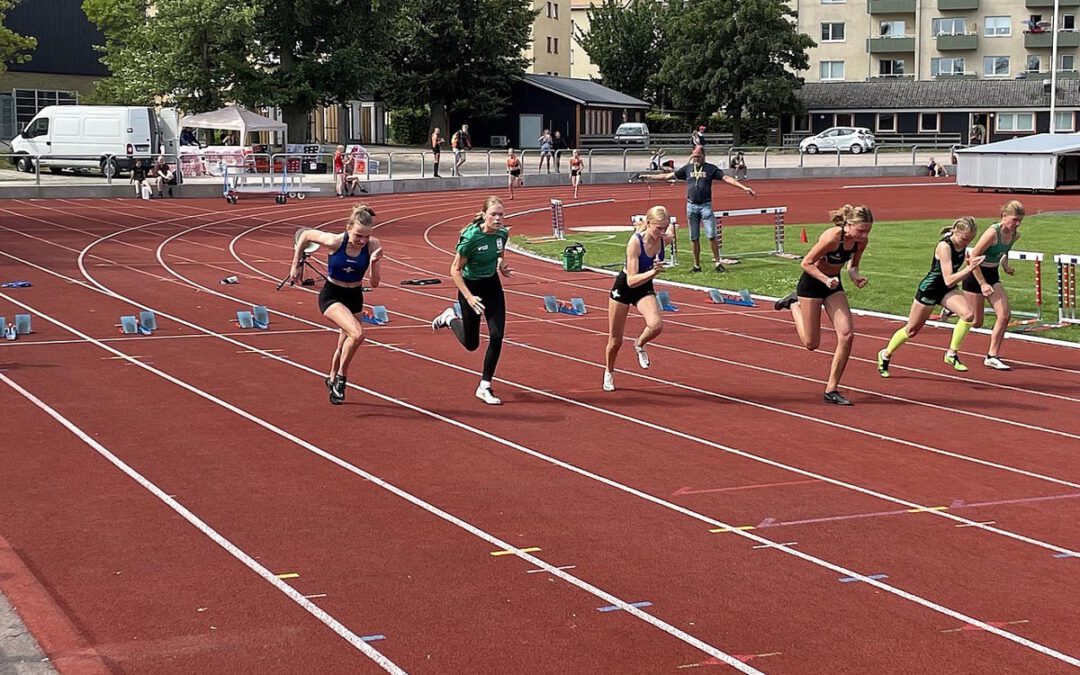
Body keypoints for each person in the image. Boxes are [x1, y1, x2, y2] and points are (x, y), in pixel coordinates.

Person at [773, 205, 873, 406]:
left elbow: (852, 265)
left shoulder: (860, 242)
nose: (863, 235)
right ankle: (793, 303)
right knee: (811, 344)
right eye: (860, 230)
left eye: (867, 231)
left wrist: (855, 277)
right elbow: (806, 263)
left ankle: (831, 389)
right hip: (812, 283)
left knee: (847, 334)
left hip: (833, 285)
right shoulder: (832, 238)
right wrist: (824, 279)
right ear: (849, 224)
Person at [288, 205, 383, 405]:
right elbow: (305, 235)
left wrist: (374, 262)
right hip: (332, 295)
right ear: (349, 229)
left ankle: (331, 377)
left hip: (355, 295)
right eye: (358, 236)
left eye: (366, 236)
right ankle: (341, 377)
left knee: (344, 344)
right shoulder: (335, 241)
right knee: (357, 334)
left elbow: (374, 284)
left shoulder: (373, 245)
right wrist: (295, 265)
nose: (362, 241)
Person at [877, 218, 985, 378]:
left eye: (970, 240)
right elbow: (948, 278)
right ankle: (885, 354)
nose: (966, 243)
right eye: (964, 239)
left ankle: (951, 354)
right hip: (930, 290)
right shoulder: (944, 247)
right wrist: (970, 268)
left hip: (946, 290)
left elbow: (949, 283)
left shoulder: (961, 245)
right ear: (955, 231)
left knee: (968, 315)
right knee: (911, 331)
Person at [431, 196, 513, 405]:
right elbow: (454, 269)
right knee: (471, 344)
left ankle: (485, 385)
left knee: (497, 334)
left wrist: (501, 265)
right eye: (493, 214)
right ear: (484, 215)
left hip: (492, 285)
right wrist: (468, 297)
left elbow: (499, 253)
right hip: (470, 287)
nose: (498, 218)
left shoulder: (502, 234)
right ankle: (450, 318)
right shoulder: (470, 238)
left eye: (501, 214)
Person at [636, 145, 755, 273]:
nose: (695, 159)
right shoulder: (688, 169)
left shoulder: (710, 169)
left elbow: (726, 178)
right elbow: (667, 176)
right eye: (694, 156)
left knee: (711, 235)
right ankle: (696, 265)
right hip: (691, 206)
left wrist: (744, 187)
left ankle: (717, 262)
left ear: (703, 156)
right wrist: (647, 176)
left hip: (705, 206)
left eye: (698, 156)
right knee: (694, 237)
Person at [603, 205, 675, 392]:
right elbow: (631, 280)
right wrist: (654, 271)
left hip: (645, 287)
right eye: (658, 227)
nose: (662, 231)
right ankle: (609, 371)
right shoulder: (635, 243)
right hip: (625, 288)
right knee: (615, 341)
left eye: (664, 227)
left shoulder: (664, 237)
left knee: (656, 325)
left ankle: (639, 344)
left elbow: (674, 231)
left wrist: (672, 227)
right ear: (648, 223)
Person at [962, 200, 1025, 370]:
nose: (1017, 224)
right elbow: (972, 257)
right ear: (1004, 216)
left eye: (1020, 220)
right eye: (1014, 220)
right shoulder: (992, 233)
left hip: (993, 275)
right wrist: (982, 283)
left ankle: (992, 355)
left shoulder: (1014, 235)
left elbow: (1004, 252)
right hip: (975, 275)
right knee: (976, 322)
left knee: (1004, 315)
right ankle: (953, 307)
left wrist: (1005, 267)